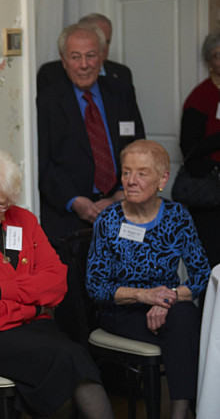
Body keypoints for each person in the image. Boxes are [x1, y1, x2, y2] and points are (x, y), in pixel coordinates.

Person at [0, 149, 114, 419]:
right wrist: (32, 308)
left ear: (10, 199)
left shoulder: (24, 220)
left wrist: (1, 292)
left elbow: (56, 282)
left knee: (70, 359)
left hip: (32, 328)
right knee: (70, 358)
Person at [87, 139, 211, 419]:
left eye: (142, 173)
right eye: (127, 172)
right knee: (184, 324)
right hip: (121, 311)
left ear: (162, 179)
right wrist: (145, 296)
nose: (131, 181)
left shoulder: (177, 216)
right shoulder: (108, 220)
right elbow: (96, 285)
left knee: (183, 314)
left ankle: (178, 412)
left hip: (167, 308)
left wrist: (165, 298)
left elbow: (202, 273)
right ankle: (186, 412)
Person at [37, 22, 145, 244]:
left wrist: (122, 193)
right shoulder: (47, 100)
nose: (84, 65)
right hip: (67, 218)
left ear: (102, 56)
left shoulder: (121, 91)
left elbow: (139, 148)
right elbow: (43, 162)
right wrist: (75, 201)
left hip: (122, 209)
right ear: (64, 59)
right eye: (76, 57)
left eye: (91, 55)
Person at [179, 32, 220, 269]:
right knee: (212, 265)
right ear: (208, 61)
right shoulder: (201, 96)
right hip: (210, 195)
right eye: (217, 55)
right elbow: (190, 149)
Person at [37, 13, 133, 92]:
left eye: (107, 42)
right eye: (75, 57)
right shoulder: (50, 74)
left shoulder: (121, 74)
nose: (104, 48)